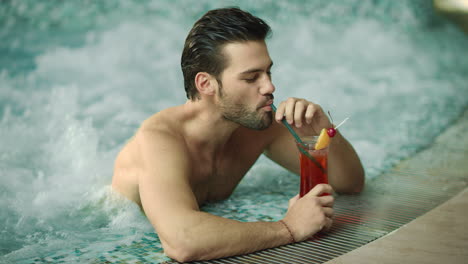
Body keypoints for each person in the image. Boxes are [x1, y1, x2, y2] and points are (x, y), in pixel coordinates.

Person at [112, 7, 364, 262]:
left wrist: (322, 133)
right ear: (206, 84)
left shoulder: (259, 124)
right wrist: (289, 228)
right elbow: (182, 242)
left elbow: (350, 183)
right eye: (251, 77)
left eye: (268, 72)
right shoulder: (159, 140)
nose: (269, 86)